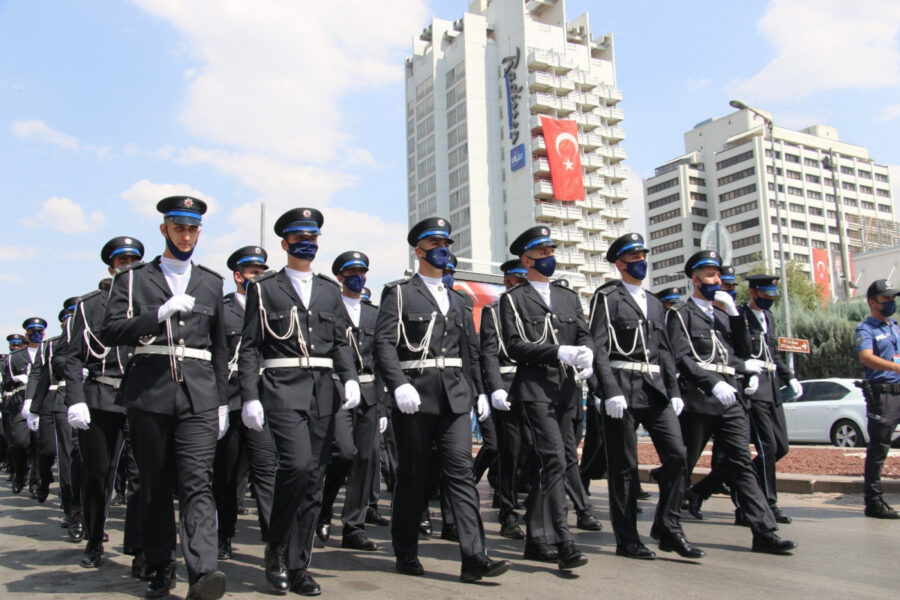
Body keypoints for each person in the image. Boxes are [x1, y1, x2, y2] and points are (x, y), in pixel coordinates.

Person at [100, 198, 228, 600]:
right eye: (178, 228)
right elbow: (111, 331)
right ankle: (159, 565)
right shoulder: (135, 279)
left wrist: (222, 400)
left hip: (199, 394)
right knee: (154, 485)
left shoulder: (211, 281)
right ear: (164, 230)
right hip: (150, 392)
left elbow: (221, 346)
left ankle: (203, 572)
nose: (186, 236)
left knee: (197, 484)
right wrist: (158, 314)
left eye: (192, 229)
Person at [373, 217, 510, 582]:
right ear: (418, 251)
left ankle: (474, 556)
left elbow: (472, 352)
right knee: (414, 476)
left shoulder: (460, 300)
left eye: (446, 242)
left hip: (455, 396)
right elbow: (384, 343)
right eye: (434, 243)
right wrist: (398, 384)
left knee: (461, 474)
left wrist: (479, 391)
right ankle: (405, 550)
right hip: (415, 397)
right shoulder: (399, 293)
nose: (443, 248)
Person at [238, 207, 359, 596]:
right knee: (297, 465)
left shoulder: (328, 289)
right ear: (284, 242)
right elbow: (251, 348)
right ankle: (275, 546)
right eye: (299, 236)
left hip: (324, 390)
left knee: (313, 481)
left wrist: (351, 379)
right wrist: (249, 397)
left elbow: (341, 342)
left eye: (313, 236)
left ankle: (299, 563)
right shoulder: (265, 287)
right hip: (282, 387)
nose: (307, 242)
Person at [666, 251, 797, 555]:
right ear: (695, 279)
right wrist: (712, 383)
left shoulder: (726, 313)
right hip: (700, 400)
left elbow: (745, 349)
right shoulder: (681, 314)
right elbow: (681, 357)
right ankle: (667, 523)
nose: (717, 281)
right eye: (710, 276)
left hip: (731, 400)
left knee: (740, 462)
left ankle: (763, 531)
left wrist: (735, 317)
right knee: (681, 464)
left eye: (718, 276)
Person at [589, 233, 702, 559]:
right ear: (620, 263)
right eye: (634, 258)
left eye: (643, 256)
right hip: (622, 386)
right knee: (624, 466)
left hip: (654, 388)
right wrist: (607, 389)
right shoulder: (607, 298)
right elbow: (597, 345)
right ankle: (627, 539)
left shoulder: (654, 302)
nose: (641, 262)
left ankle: (668, 527)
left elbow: (664, 350)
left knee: (678, 456)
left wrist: (674, 390)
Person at [498, 225, 591, 569]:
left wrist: (589, 354)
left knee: (554, 461)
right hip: (535, 389)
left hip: (567, 388)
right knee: (553, 457)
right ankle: (563, 540)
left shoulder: (568, 296)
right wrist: (558, 353)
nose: (549, 257)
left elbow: (584, 332)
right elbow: (513, 345)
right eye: (542, 253)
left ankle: (536, 538)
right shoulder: (513, 299)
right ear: (526, 259)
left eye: (551, 251)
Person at [66, 238, 145, 569]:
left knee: (144, 475)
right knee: (97, 474)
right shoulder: (90, 306)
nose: (127, 265)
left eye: (133, 261)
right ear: (111, 266)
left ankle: (140, 548)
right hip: (100, 394)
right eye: (121, 260)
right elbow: (70, 357)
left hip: (141, 396)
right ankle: (95, 539)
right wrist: (76, 399)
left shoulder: (150, 302)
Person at [318, 250, 388, 551]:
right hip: (337, 390)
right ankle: (322, 510)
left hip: (370, 393)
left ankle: (354, 527)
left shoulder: (374, 314)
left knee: (366, 457)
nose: (358, 277)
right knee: (344, 453)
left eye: (362, 271)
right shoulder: (330, 311)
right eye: (351, 272)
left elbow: (384, 359)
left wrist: (383, 405)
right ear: (340, 277)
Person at [212, 246, 277, 560]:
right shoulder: (222, 310)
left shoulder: (271, 308)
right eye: (253, 273)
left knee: (266, 470)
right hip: (231, 398)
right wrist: (218, 403)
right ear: (238, 276)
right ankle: (223, 535)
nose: (258, 277)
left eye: (262, 272)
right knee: (226, 475)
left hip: (261, 399)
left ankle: (272, 541)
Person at [737, 274, 801, 524]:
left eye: (772, 295)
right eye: (765, 295)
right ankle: (768, 503)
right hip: (755, 389)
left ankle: (716, 484)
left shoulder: (769, 318)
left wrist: (789, 377)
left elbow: (773, 353)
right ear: (753, 292)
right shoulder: (741, 317)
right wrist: (745, 372)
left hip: (772, 387)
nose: (769, 300)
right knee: (767, 448)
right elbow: (739, 350)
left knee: (781, 447)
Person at [24, 298, 82, 536]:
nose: (72, 318)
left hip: (94, 399)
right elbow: (38, 376)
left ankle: (89, 515)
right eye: (68, 314)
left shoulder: (95, 338)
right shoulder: (50, 346)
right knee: (62, 455)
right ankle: (71, 510)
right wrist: (31, 404)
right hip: (58, 400)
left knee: (90, 462)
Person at [480, 259, 528, 539]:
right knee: (510, 449)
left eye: (524, 279)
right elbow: (487, 352)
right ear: (507, 281)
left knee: (535, 449)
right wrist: (493, 388)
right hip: (508, 386)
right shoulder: (494, 311)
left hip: (537, 387)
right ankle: (508, 511)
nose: (520, 284)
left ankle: (533, 503)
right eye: (516, 280)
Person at [854, 279, 900, 519]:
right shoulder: (866, 329)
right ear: (873, 302)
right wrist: (896, 367)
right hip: (882, 394)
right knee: (879, 448)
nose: (891, 303)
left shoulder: (894, 326)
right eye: (886, 299)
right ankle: (874, 501)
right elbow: (866, 357)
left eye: (893, 298)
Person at [4, 318, 47, 495]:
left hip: (41, 400)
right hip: (19, 401)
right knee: (20, 443)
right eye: (32, 332)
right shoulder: (14, 358)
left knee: (38, 443)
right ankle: (20, 473)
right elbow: (5, 381)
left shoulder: (47, 352)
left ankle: (35, 482)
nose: (36, 334)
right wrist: (15, 380)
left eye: (39, 331)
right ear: (26, 334)